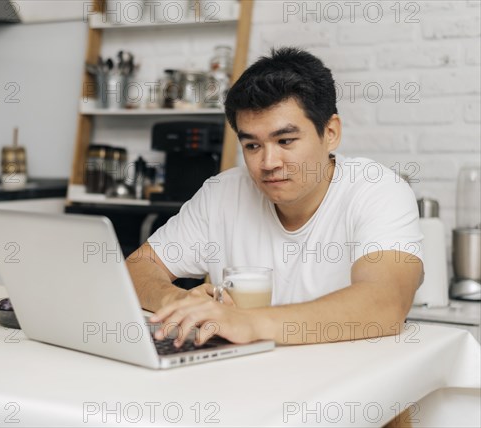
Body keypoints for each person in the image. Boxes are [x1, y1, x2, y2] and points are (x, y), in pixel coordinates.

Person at [126, 47, 423, 347]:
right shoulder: (222, 193)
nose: (268, 163)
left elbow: (386, 303)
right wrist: (180, 300)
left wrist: (249, 324)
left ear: (330, 132)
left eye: (285, 140)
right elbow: (136, 268)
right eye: (252, 146)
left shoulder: (377, 190)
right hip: (243, 380)